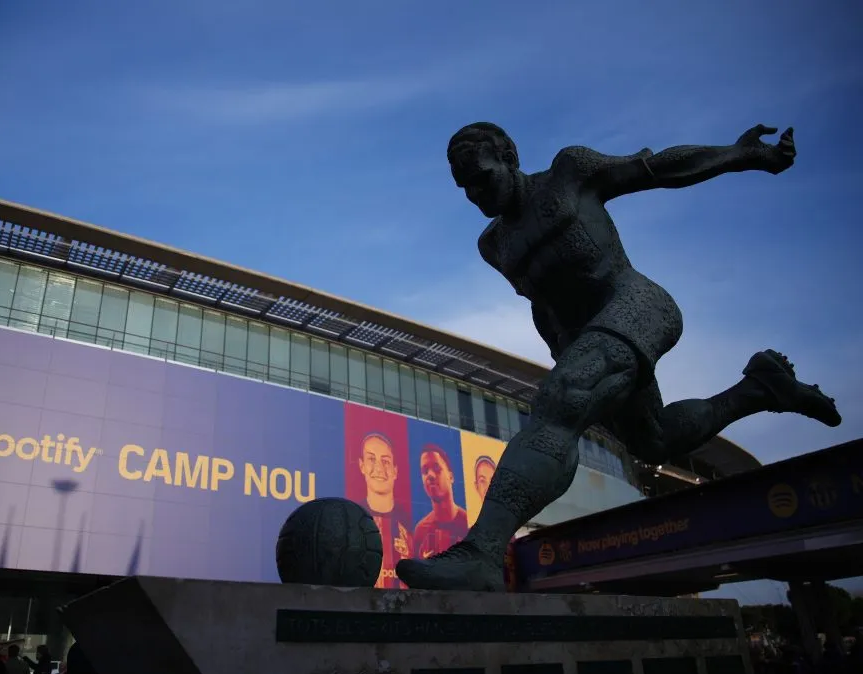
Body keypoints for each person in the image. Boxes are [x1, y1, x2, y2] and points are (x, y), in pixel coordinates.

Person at [396, 122, 842, 591]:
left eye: (482, 178)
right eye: (465, 187)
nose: (475, 194)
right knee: (654, 440)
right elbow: (544, 305)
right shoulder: (494, 245)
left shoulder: (569, 173)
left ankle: (482, 552)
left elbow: (657, 168)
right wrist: (565, 354)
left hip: (638, 305)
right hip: (590, 337)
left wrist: (740, 154)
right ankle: (760, 389)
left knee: (560, 402)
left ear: (509, 159)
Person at [354, 432, 413, 588]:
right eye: (371, 459)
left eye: (385, 461)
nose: (379, 468)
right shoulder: (353, 518)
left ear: (395, 470)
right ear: (361, 465)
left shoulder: (410, 524)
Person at [413, 445, 469, 558]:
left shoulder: (468, 523)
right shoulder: (420, 531)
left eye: (436, 468)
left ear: (451, 477)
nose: (430, 475)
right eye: (425, 471)